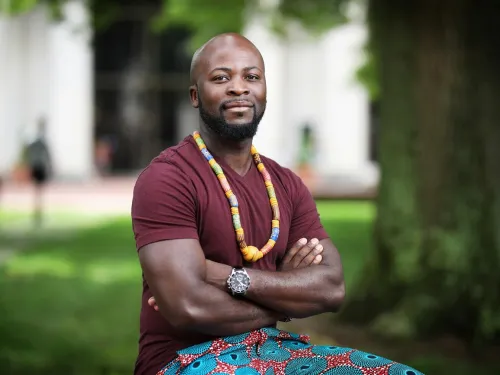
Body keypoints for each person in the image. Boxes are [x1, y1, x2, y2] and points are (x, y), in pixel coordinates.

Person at [131, 33, 423, 375]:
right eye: (221, 78)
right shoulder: (168, 178)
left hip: (276, 351)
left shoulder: (285, 184)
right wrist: (284, 301)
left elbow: (330, 288)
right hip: (187, 360)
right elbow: (187, 305)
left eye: (251, 77)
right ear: (196, 96)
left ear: (265, 90)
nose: (239, 87)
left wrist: (223, 276)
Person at [25, 117, 52, 227]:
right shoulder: (40, 141)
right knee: (38, 189)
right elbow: (47, 154)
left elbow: (28, 152)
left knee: (38, 190)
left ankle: (38, 210)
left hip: (36, 166)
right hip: (38, 166)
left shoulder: (35, 141)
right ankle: (38, 210)